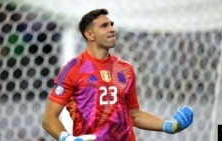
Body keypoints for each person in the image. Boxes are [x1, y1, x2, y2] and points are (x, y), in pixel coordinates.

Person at [42, 8, 194, 141]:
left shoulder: (125, 68)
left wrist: (170, 126)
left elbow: (134, 115)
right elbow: (49, 119)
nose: (111, 29)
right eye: (104, 26)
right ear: (89, 34)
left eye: (111, 24)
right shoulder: (73, 69)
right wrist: (67, 138)